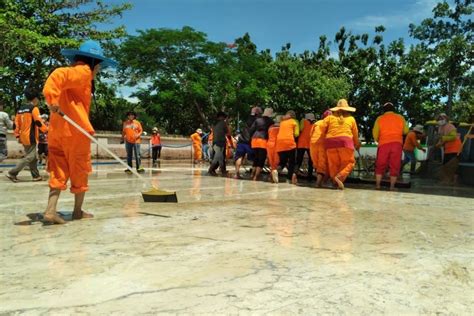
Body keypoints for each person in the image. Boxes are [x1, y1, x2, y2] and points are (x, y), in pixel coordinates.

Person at [42, 39, 117, 224]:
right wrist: (52, 100)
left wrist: (53, 100)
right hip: (75, 131)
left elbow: (59, 80)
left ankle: (50, 210)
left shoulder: (79, 75)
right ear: (93, 62)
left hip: (58, 130)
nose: (99, 71)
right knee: (79, 169)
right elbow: (58, 75)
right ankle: (77, 211)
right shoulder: (83, 71)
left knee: (58, 169)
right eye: (99, 67)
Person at [6, 87, 47, 183]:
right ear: (35, 98)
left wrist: (17, 136)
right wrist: (47, 130)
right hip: (31, 136)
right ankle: (12, 173)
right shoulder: (34, 108)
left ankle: (36, 176)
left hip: (23, 137)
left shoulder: (20, 109)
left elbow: (16, 124)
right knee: (30, 157)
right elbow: (38, 122)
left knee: (32, 157)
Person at [320, 99, 360, 190]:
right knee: (350, 162)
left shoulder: (329, 118)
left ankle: (335, 183)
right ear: (347, 109)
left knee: (333, 164)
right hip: (345, 142)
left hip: (330, 143)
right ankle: (340, 177)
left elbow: (322, 128)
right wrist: (357, 144)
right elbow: (355, 134)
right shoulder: (351, 119)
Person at [372, 102, 409, 190]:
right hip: (397, 144)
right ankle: (392, 187)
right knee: (395, 165)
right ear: (393, 109)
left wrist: (378, 139)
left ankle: (378, 185)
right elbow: (406, 131)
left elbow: (375, 134)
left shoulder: (379, 118)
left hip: (383, 144)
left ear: (384, 110)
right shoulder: (400, 118)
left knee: (380, 164)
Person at [234, 106, 261, 179]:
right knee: (256, 158)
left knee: (239, 157)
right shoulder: (258, 121)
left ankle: (236, 174)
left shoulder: (248, 119)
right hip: (250, 142)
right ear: (258, 113)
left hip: (241, 141)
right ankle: (253, 175)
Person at [249, 107, 274, 180]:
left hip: (254, 140)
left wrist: (251, 139)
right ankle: (256, 176)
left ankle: (252, 174)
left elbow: (251, 130)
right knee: (261, 159)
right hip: (263, 141)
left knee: (256, 158)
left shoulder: (258, 120)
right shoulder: (271, 122)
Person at [276, 110, 300, 184]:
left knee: (282, 161)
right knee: (292, 162)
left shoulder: (282, 122)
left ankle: (275, 171)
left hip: (279, 143)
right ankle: (289, 178)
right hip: (289, 143)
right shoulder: (294, 122)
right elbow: (296, 134)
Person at [310, 110, 332, 187]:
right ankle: (318, 183)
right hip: (323, 143)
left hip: (313, 143)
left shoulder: (317, 123)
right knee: (322, 164)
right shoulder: (330, 123)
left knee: (316, 163)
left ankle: (320, 182)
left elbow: (311, 134)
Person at [208, 111, 232, 176]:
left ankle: (223, 170)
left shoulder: (214, 124)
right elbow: (228, 133)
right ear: (221, 117)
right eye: (224, 117)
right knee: (217, 158)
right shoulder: (223, 123)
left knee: (220, 158)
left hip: (216, 142)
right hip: (220, 142)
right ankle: (210, 170)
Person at [296, 113, 316, 178]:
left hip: (301, 143)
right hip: (310, 143)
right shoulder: (315, 123)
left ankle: (294, 174)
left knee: (299, 159)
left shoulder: (303, 121)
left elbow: (300, 129)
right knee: (311, 160)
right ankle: (309, 175)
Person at [267, 115, 282, 183]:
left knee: (271, 161)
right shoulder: (282, 127)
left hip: (269, 144)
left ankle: (271, 176)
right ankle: (274, 173)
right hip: (278, 144)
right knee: (276, 161)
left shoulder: (270, 127)